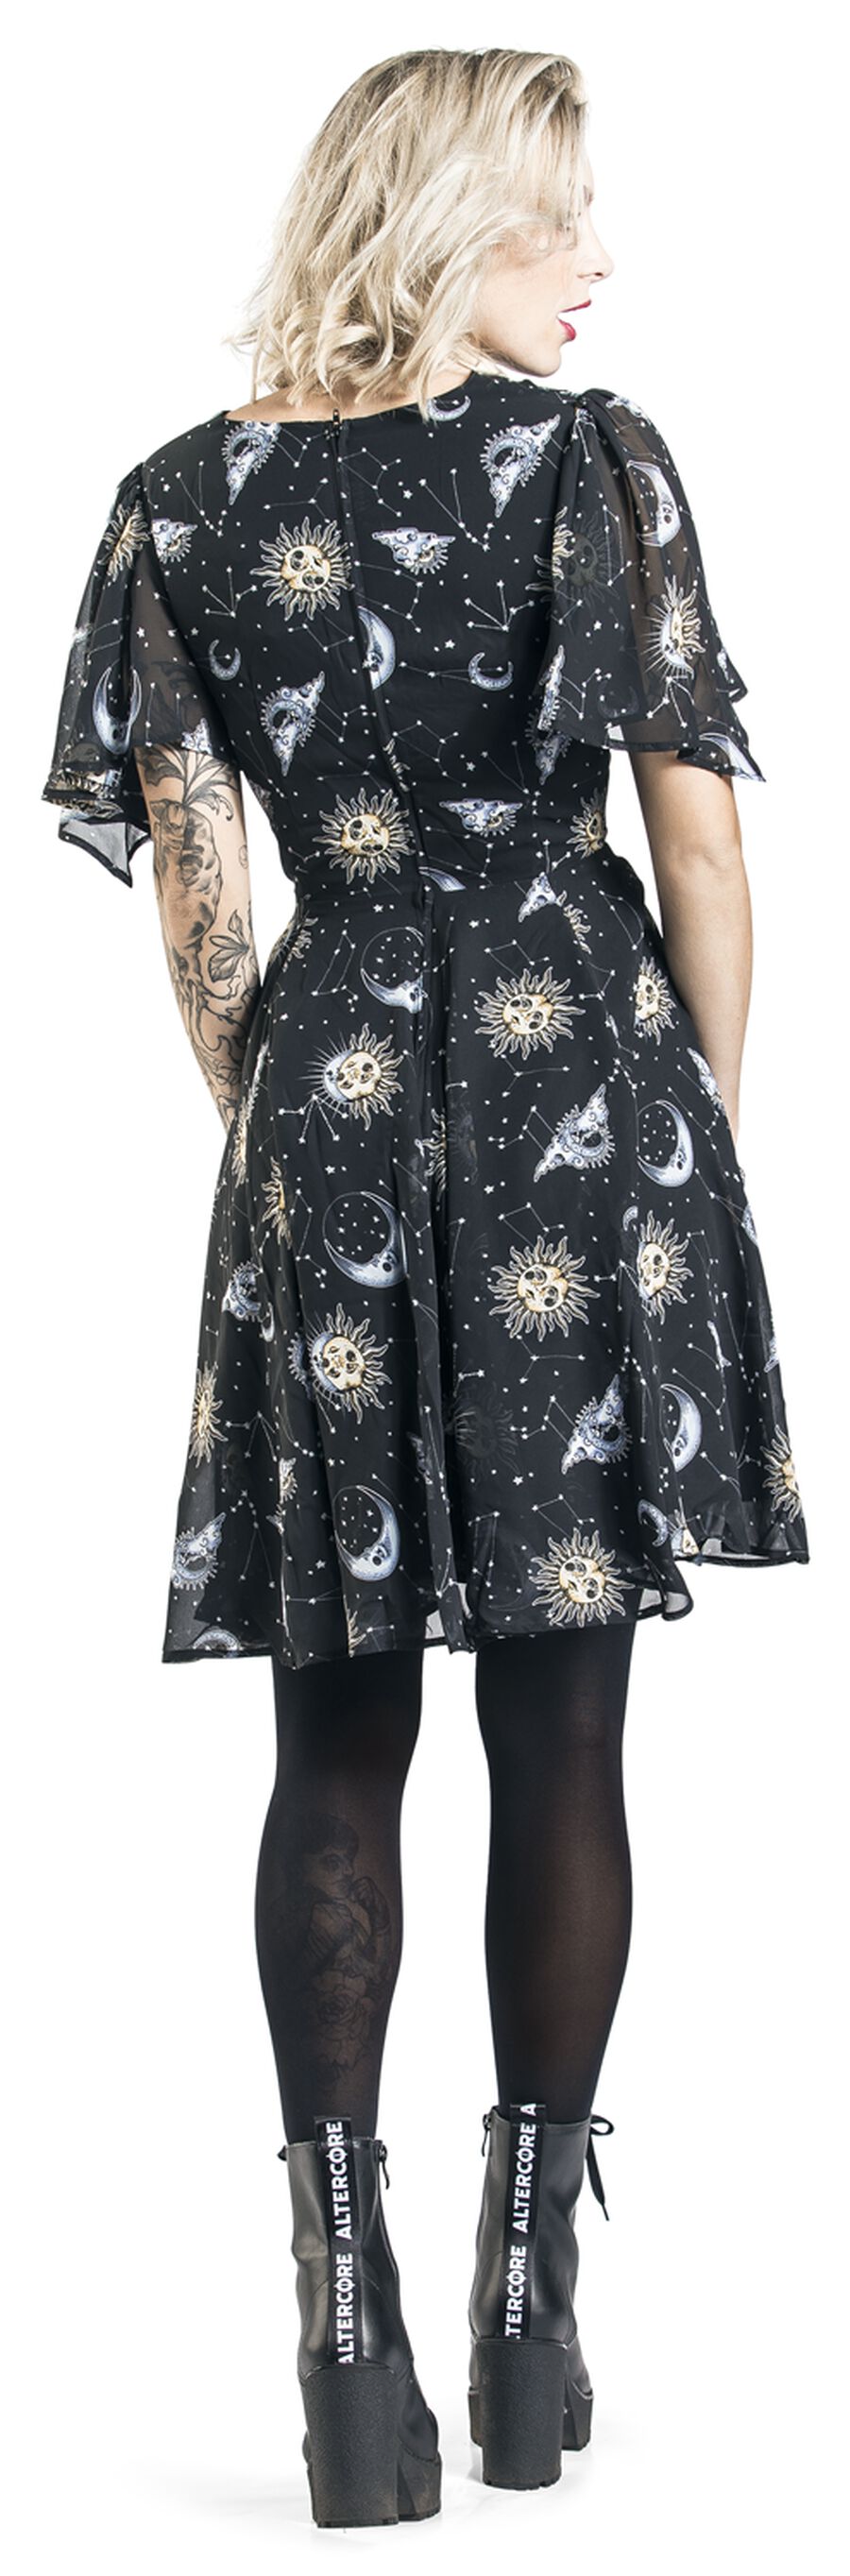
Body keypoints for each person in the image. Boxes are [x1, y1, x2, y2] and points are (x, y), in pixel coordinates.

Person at [41, 43, 809, 2530]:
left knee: (333, 1733)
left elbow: (196, 897)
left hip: (335, 1094)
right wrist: (695, 1130)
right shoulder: (589, 466)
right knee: (564, 1733)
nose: (599, 263)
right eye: (560, 215)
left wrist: (283, 1118)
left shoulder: (179, 499)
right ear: (450, 215)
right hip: (583, 1080)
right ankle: (527, 2315)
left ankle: (343, 2336)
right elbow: (696, 842)